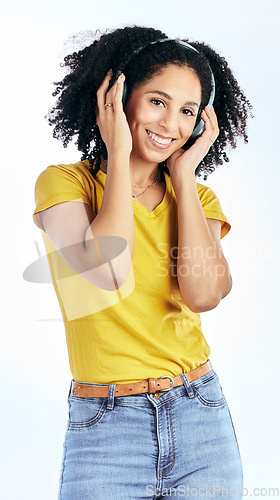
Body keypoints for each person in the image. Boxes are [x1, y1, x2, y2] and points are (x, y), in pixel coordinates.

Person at [32, 26, 252, 499]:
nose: (171, 124)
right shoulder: (65, 185)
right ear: (119, 97)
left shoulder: (197, 198)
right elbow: (106, 270)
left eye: (187, 111)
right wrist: (119, 154)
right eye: (157, 101)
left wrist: (185, 178)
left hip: (200, 413)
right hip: (106, 427)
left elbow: (203, 295)